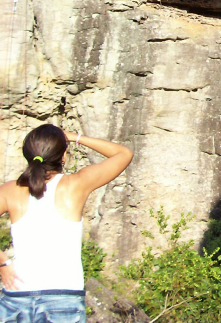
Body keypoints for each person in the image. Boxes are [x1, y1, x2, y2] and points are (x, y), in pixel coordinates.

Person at [0, 124, 133, 322]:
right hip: (63, 297)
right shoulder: (76, 184)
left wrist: (3, 263)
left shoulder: (10, 190)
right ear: (62, 156)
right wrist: (73, 137)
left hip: (16, 295)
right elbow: (123, 153)